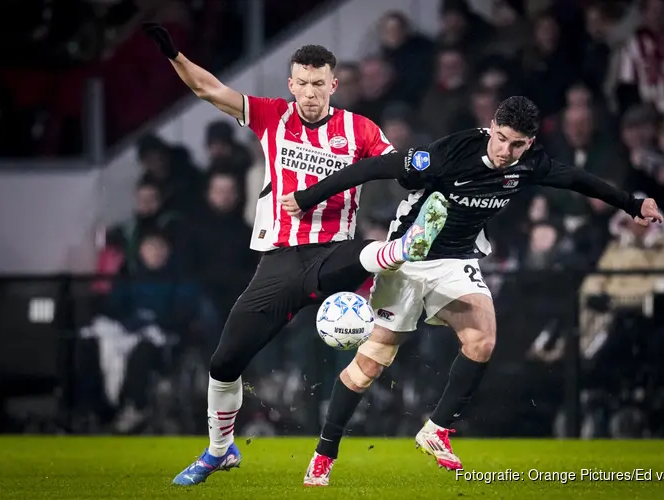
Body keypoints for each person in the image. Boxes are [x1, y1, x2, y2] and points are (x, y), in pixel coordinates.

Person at [280, 96, 663, 486]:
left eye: (517, 144)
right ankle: (324, 453)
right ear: (491, 126)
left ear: (529, 143)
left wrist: (632, 204)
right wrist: (308, 198)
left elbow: (576, 179)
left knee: (482, 341)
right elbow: (375, 167)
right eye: (501, 138)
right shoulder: (452, 152)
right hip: (409, 255)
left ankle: (436, 429)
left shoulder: (530, 163)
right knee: (372, 363)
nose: (505, 151)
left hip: (457, 258)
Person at [141, 23, 450, 486]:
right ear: (291, 84)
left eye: (318, 83)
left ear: (333, 84)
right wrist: (175, 55)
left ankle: (402, 249)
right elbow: (209, 89)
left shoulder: (359, 129)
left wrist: (421, 168)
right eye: (302, 83)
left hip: (335, 253)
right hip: (281, 260)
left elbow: (394, 166)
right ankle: (220, 450)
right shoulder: (272, 117)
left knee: (358, 255)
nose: (309, 93)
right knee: (223, 364)